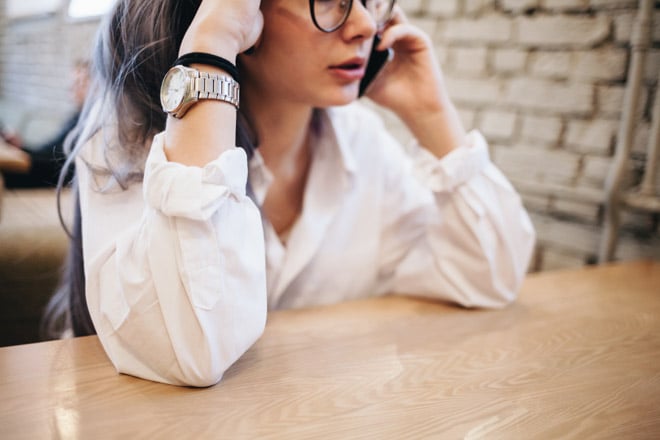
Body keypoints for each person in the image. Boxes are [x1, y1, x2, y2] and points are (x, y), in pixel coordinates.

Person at [48, 0, 535, 387]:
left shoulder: (361, 141)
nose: (365, 25)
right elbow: (190, 355)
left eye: (371, 2)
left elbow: (490, 277)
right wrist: (212, 44)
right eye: (331, 1)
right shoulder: (129, 143)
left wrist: (433, 115)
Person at [0, 61, 90, 188]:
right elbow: (50, 149)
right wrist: (21, 148)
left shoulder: (89, 123)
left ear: (98, 86)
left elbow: (60, 161)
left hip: (52, 176)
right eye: (73, 82)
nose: (71, 88)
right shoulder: (76, 116)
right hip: (44, 167)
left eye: (80, 83)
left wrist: (25, 156)